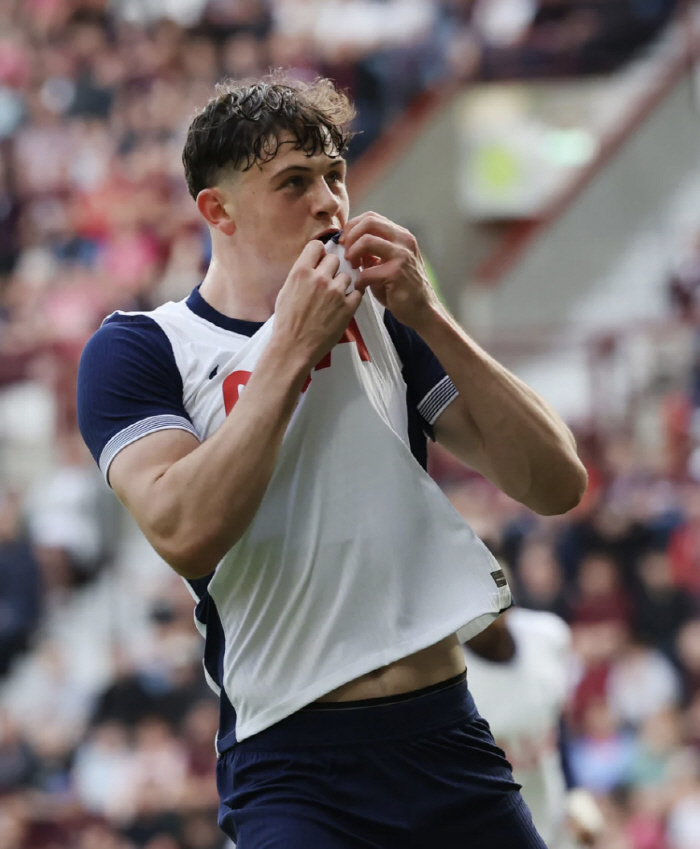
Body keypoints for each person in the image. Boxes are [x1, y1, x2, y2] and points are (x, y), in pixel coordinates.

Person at [76, 73, 588, 848]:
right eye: (293, 183)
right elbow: (184, 529)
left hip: (446, 731)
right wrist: (289, 342)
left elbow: (555, 482)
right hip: (293, 763)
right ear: (218, 210)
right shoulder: (142, 347)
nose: (329, 202)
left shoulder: (387, 318)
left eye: (334, 176)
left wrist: (431, 314)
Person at [464, 606, 604, 848]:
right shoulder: (448, 673)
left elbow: (553, 721)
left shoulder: (547, 635)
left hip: (554, 818)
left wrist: (575, 791)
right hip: (492, 830)